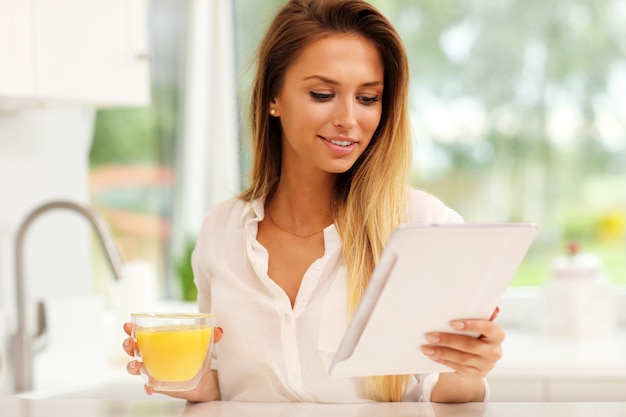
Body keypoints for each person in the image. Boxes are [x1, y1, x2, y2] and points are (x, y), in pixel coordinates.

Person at [123, 0, 504, 403]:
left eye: (368, 98)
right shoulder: (221, 231)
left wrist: (468, 368)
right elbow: (227, 383)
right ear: (274, 97)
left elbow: (445, 396)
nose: (348, 118)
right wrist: (193, 383)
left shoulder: (423, 226)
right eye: (323, 94)